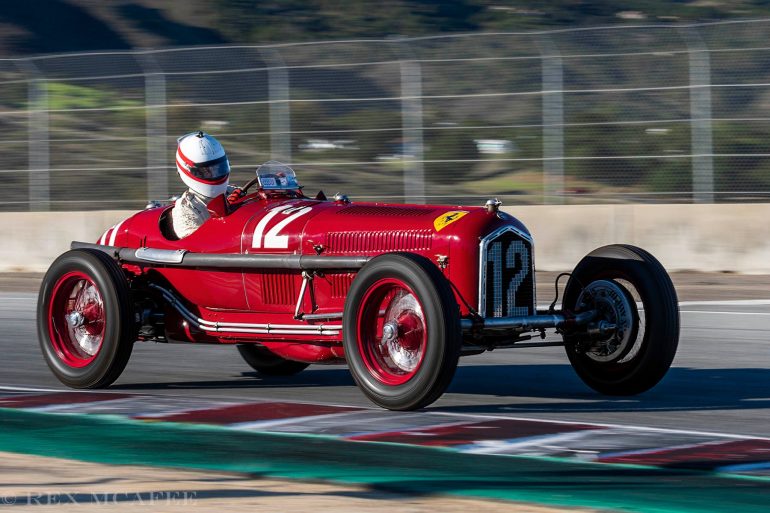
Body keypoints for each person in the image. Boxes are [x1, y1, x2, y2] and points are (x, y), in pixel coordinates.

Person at [171, 131, 231, 238]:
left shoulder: (235, 192)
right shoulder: (186, 209)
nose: (213, 174)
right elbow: (198, 245)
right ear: (186, 170)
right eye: (205, 171)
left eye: (217, 168)